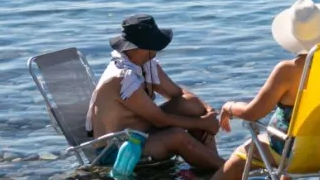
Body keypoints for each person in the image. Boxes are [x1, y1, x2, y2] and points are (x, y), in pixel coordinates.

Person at [208, 0, 320, 180]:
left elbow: (252, 113)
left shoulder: (288, 71)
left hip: (295, 152)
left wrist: (229, 106)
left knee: (245, 151)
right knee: (303, 127)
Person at [86, 14, 223, 170]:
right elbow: (160, 120)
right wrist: (204, 123)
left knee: (191, 105)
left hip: (142, 132)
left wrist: (208, 111)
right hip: (118, 149)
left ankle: (212, 164)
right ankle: (226, 170)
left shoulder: (146, 64)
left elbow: (178, 93)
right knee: (177, 136)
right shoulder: (122, 77)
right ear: (142, 47)